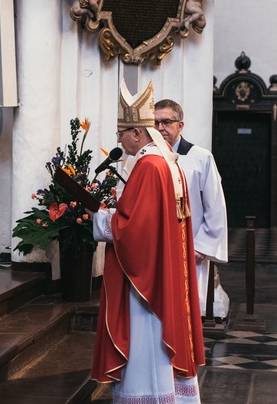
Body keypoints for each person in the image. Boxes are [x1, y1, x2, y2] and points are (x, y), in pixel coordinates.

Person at [90, 79, 204, 403]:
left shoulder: (149, 164)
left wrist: (100, 219)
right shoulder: (165, 161)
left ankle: (150, 396)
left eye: (121, 132)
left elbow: (133, 230)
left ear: (137, 133)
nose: (119, 139)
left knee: (147, 345)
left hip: (147, 281)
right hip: (162, 267)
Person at [154, 99, 229, 320]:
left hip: (191, 247)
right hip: (156, 246)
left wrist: (203, 245)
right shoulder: (147, 157)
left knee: (187, 310)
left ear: (180, 125)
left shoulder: (200, 157)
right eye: (155, 123)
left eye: (166, 122)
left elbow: (215, 205)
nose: (160, 128)